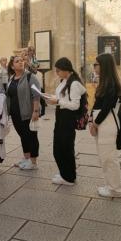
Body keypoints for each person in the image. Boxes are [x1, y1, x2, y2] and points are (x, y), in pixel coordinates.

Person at [43, 57, 86, 186]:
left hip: (67, 118)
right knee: (61, 147)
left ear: (65, 69)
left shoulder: (74, 84)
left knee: (63, 148)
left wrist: (57, 101)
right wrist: (49, 97)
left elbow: (75, 105)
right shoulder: (65, 81)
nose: (56, 73)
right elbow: (62, 98)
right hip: (61, 117)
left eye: (58, 70)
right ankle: (67, 173)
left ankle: (68, 177)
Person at [89, 53, 121, 197]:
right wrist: (91, 119)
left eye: (95, 64)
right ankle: (109, 186)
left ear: (103, 66)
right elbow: (97, 104)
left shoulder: (111, 84)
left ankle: (115, 190)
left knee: (109, 158)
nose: (94, 67)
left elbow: (106, 107)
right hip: (101, 122)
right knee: (104, 157)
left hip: (107, 123)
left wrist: (95, 123)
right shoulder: (104, 83)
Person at [7, 56, 41, 169]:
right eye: (17, 61)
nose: (20, 62)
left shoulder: (30, 77)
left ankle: (33, 161)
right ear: (12, 66)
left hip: (28, 112)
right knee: (23, 136)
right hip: (16, 113)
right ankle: (26, 157)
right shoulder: (11, 78)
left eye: (21, 61)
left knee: (31, 136)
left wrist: (35, 111)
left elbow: (36, 94)